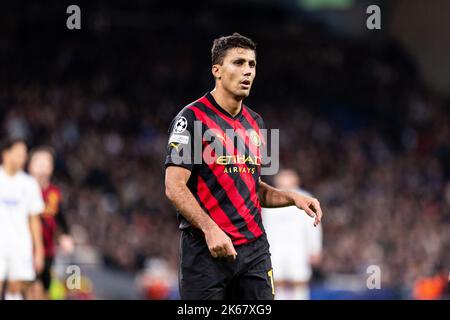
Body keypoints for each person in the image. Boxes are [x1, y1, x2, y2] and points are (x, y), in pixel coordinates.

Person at [164, 33, 323, 300]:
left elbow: (254, 189)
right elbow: (173, 186)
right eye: (238, 63)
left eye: (252, 64)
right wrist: (210, 228)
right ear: (217, 70)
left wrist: (293, 198)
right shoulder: (191, 119)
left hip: (254, 251)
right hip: (206, 251)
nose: (247, 70)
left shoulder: (258, 123)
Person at [262, 169, 322, 300]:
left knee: (299, 281)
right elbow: (264, 225)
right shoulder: (269, 199)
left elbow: (314, 224)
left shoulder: (304, 197)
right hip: (275, 248)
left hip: (298, 248)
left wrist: (315, 249)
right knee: (276, 281)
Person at [27, 146, 74, 300]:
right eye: (39, 162)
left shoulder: (54, 193)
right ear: (30, 165)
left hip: (47, 251)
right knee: (29, 287)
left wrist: (65, 236)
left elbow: (61, 218)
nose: (42, 166)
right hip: (25, 250)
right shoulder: (23, 188)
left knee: (44, 288)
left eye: (46, 163)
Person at [0, 138, 45, 300]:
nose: (22, 158)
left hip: (20, 246)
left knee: (15, 289)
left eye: (24, 155)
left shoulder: (29, 184)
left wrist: (38, 250)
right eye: (18, 154)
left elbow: (34, 219)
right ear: (6, 154)